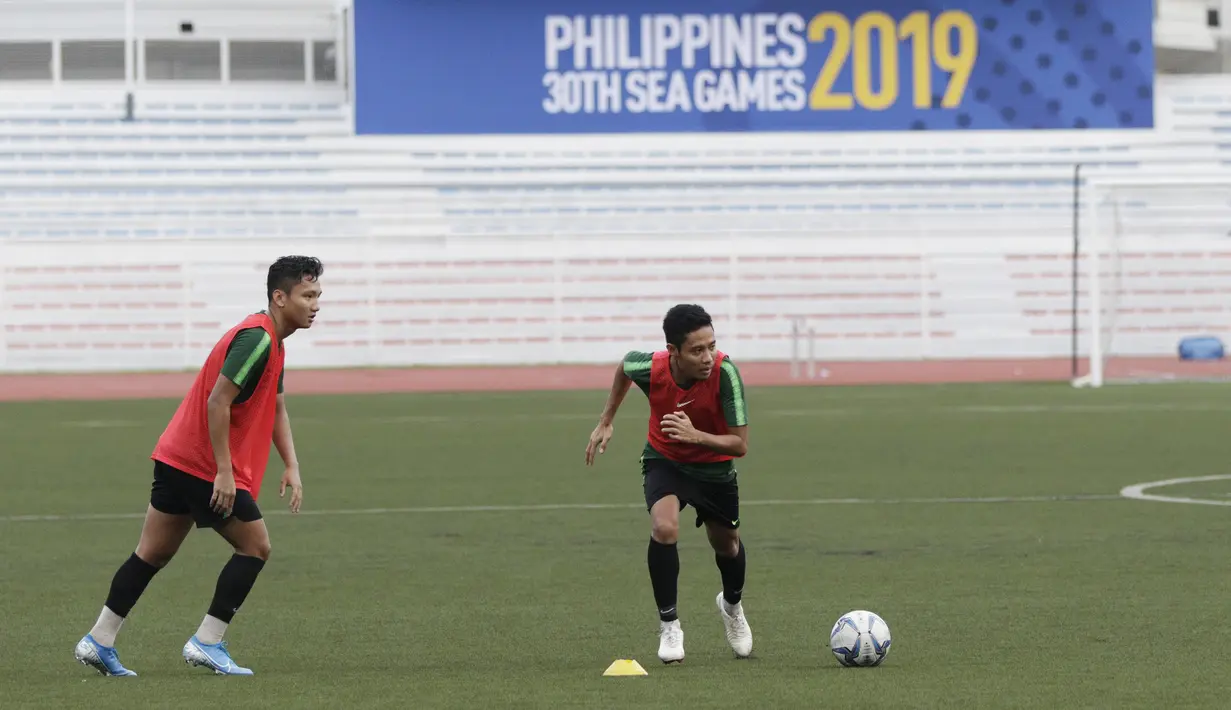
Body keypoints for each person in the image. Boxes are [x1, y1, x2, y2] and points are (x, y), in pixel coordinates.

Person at [73, 255, 323, 677]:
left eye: (318, 295)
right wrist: (224, 471)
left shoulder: (274, 342)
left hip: (177, 457)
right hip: (200, 464)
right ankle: (207, 642)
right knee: (255, 546)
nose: (316, 304)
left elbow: (276, 405)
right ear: (280, 297)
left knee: (152, 553)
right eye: (308, 295)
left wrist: (291, 464)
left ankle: (99, 639)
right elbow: (217, 401)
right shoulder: (257, 339)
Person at [585, 303, 752, 664]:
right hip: (666, 461)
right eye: (697, 350)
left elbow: (740, 445)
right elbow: (624, 367)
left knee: (727, 545)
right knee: (664, 527)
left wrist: (696, 435)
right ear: (673, 352)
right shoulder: (653, 367)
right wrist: (607, 419)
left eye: (711, 346)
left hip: (714, 469)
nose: (708, 357)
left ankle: (732, 607)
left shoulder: (726, 373)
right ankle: (669, 624)